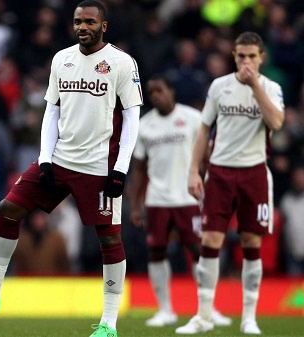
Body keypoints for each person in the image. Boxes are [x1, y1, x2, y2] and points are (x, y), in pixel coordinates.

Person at [0, 1, 143, 336]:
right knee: (8, 208)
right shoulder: (61, 59)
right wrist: (46, 157)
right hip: (60, 159)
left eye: (90, 22)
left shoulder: (121, 63)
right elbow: (51, 112)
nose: (83, 27)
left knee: (109, 238)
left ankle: (109, 324)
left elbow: (131, 117)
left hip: (100, 166)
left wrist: (121, 169)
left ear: (103, 26)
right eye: (78, 21)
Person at [175, 31, 284, 335]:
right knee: (210, 242)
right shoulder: (219, 87)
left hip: (254, 173)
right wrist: (194, 171)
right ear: (234, 56)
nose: (246, 61)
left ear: (261, 57)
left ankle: (249, 317)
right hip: (220, 173)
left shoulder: (271, 88)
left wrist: (254, 88)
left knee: (251, 244)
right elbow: (203, 130)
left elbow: (276, 123)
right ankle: (204, 315)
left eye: (251, 56)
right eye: (241, 56)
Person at [128, 75, 231, 327]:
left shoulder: (193, 118)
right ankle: (165, 310)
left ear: (171, 91)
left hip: (189, 197)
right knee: (156, 251)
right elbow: (139, 169)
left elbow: (207, 157)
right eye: (151, 92)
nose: (155, 96)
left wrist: (213, 190)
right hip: (157, 200)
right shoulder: (144, 125)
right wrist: (135, 204)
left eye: (159, 90)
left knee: (199, 250)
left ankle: (208, 309)